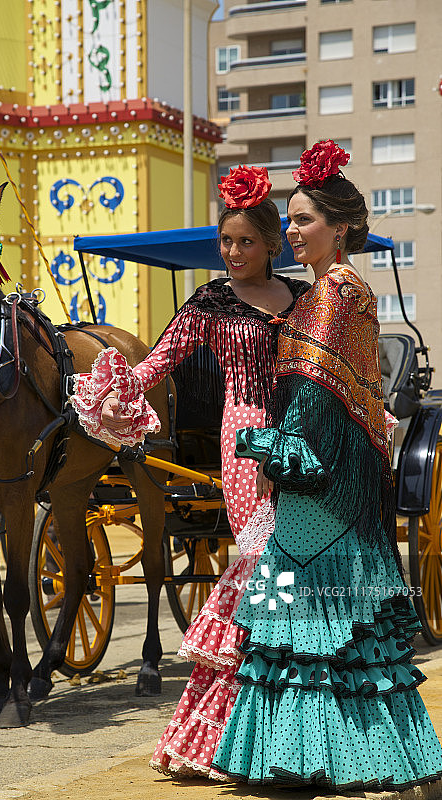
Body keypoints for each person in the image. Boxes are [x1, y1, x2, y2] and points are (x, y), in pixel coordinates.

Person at [207, 140, 442, 789]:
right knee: (316, 627)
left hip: (322, 493)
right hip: (316, 492)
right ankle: (314, 755)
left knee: (309, 625)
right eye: (290, 219)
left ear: (340, 228)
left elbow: (312, 399)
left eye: (304, 219)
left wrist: (269, 447)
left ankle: (315, 758)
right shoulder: (322, 295)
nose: (291, 229)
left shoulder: (337, 291)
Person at [69, 165, 309, 775]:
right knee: (263, 564)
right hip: (247, 439)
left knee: (301, 565)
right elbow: (158, 362)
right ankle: (235, 727)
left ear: (271, 243)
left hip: (308, 438)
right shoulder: (210, 301)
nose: (232, 253)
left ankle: (300, 723)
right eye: (225, 242)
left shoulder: (305, 298)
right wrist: (110, 391)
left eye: (244, 242)